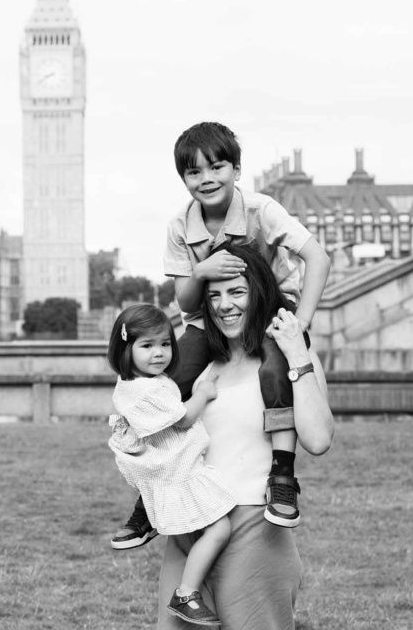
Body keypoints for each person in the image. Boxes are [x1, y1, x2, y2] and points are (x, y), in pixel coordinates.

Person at [111, 122, 332, 550]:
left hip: (269, 310)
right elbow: (186, 301)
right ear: (183, 180)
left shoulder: (261, 210)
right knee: (172, 386)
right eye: (194, 173)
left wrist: (300, 322)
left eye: (217, 167)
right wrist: (201, 271)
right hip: (206, 318)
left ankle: (282, 476)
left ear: (236, 168)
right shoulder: (180, 226)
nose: (207, 179)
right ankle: (151, 496)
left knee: (273, 374)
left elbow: (316, 257)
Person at [156, 241, 334, 630]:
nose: (224, 305)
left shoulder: (285, 355)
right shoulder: (204, 365)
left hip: (253, 528)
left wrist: (298, 356)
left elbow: (319, 438)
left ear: (260, 294)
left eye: (237, 292)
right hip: (189, 528)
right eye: (214, 295)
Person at [107, 304, 236, 627]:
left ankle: (150, 526)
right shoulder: (144, 391)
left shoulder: (141, 382)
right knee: (221, 528)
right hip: (178, 475)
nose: (159, 353)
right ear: (126, 348)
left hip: (173, 470)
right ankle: (187, 593)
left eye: (165, 344)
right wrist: (203, 393)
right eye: (147, 346)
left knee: (209, 529)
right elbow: (184, 419)